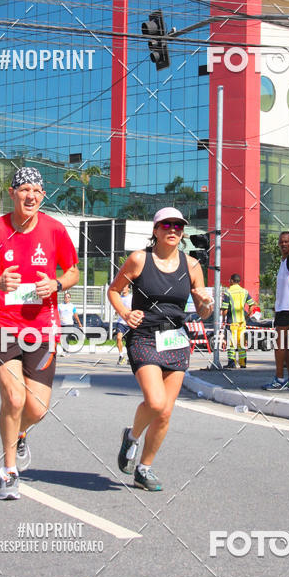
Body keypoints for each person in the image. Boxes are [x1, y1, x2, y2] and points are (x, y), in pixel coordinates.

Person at [0, 167, 79, 501]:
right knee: (14, 398)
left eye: (36, 191)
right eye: (23, 189)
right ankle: (9, 471)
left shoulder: (55, 230)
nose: (30, 196)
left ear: (43, 197)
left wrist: (55, 284)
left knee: (37, 409)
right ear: (12, 194)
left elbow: (73, 271)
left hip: (42, 327)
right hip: (2, 324)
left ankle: (22, 431)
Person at [108, 207, 213, 492]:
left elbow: (203, 313)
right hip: (144, 337)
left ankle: (144, 469)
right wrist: (125, 314)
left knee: (165, 412)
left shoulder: (192, 266)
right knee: (154, 402)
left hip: (177, 340)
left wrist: (206, 303)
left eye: (178, 226)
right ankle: (131, 436)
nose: (173, 230)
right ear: (155, 230)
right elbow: (114, 291)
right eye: (167, 225)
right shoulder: (139, 259)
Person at [263, 229, 289, 391]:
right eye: (282, 241)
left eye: (287, 241)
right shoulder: (283, 261)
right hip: (284, 307)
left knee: (280, 344)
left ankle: (279, 379)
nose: (284, 244)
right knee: (286, 346)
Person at [221, 274, 255, 368]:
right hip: (242, 322)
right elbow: (252, 305)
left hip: (232, 322)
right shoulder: (245, 291)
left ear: (232, 281)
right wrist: (247, 315)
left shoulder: (228, 292)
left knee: (231, 343)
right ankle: (243, 363)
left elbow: (225, 309)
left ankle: (231, 363)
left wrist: (224, 320)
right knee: (241, 343)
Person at [115, 284, 132, 364]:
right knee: (118, 338)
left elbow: (134, 309)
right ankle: (121, 356)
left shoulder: (131, 297)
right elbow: (116, 311)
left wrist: (127, 310)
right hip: (121, 322)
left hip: (129, 322)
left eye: (125, 287)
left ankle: (130, 357)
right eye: (122, 287)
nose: (123, 288)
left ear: (128, 288)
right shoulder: (119, 298)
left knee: (129, 342)